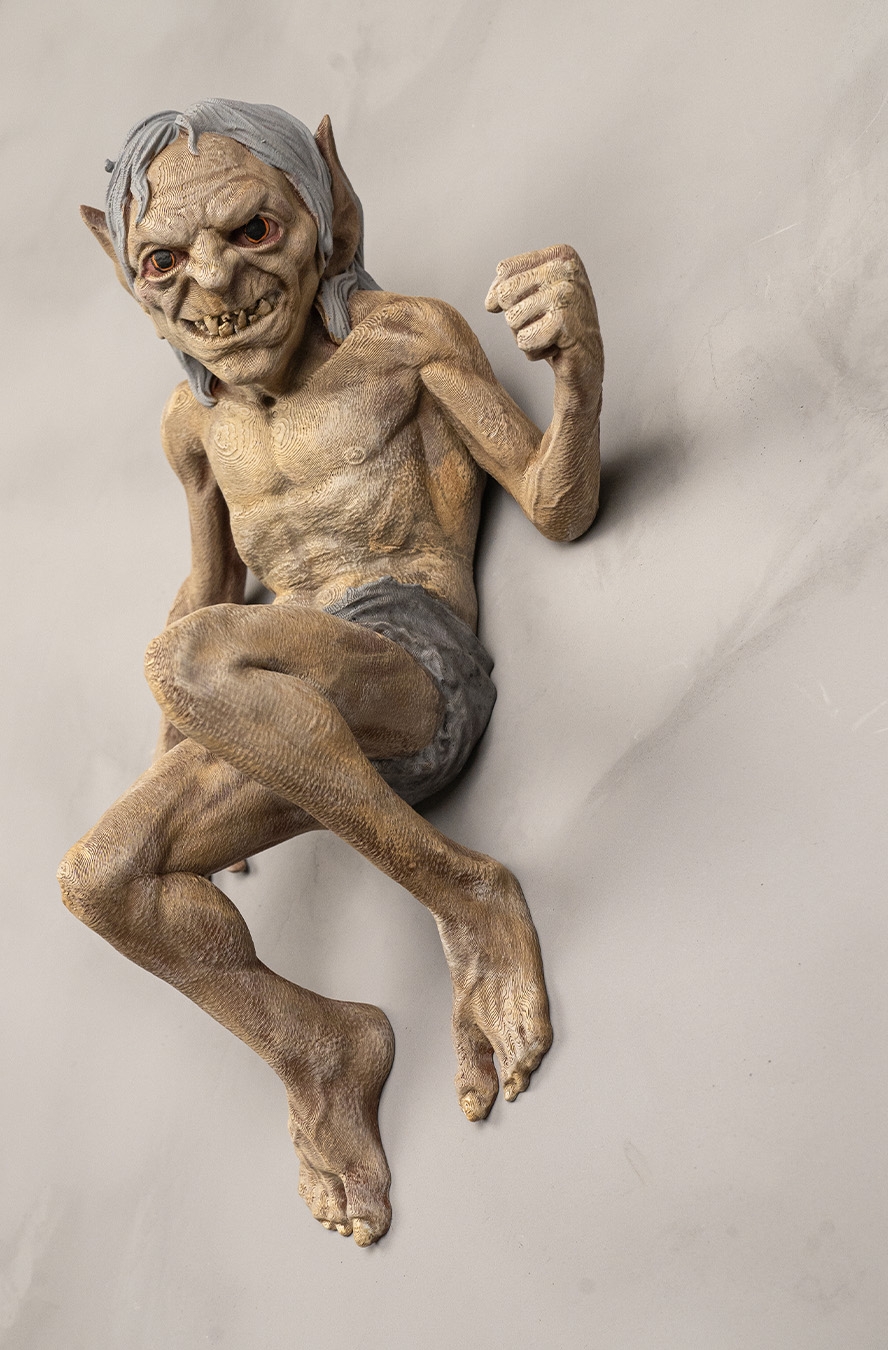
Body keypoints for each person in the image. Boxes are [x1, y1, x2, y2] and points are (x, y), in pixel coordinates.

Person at [59, 99, 603, 1246]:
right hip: (291, 716)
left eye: (251, 230)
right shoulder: (194, 426)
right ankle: (319, 1050)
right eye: (165, 261)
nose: (213, 282)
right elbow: (209, 591)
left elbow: (554, 506)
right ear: (129, 279)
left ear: (330, 215)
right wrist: (183, 767)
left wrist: (580, 372)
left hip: (413, 672)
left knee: (188, 659)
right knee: (102, 878)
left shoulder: (404, 342)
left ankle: (466, 892)